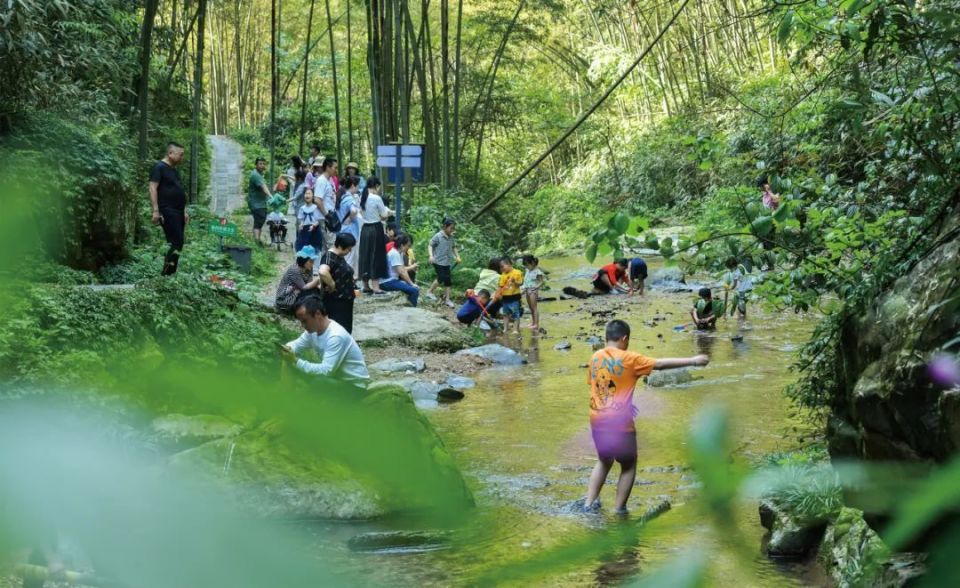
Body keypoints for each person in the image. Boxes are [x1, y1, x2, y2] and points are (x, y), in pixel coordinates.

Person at [582, 320, 709, 514]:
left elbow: (600, 387)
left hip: (597, 420)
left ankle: (588, 505)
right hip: (620, 424)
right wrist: (693, 360)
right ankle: (619, 510)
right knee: (628, 464)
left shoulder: (595, 357)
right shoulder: (630, 358)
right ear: (624, 339)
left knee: (604, 460)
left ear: (605, 338)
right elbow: (659, 364)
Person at [281, 297, 370, 387]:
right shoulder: (312, 331)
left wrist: (296, 361)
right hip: (336, 380)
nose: (303, 326)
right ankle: (285, 394)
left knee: (320, 381)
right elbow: (296, 344)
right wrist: (287, 348)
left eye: (305, 321)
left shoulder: (336, 336)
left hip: (354, 386)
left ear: (317, 314)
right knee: (293, 365)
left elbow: (326, 371)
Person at [149, 142, 188, 276]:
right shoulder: (159, 167)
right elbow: (153, 187)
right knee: (176, 241)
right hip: (167, 210)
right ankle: (166, 275)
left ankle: (169, 274)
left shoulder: (174, 170)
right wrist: (155, 210)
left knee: (179, 242)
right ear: (170, 153)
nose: (182, 158)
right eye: (180, 155)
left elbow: (179, 190)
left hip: (178, 211)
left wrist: (184, 211)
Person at [318, 233, 358, 333]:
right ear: (340, 246)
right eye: (348, 248)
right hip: (336, 302)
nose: (350, 251)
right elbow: (323, 271)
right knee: (338, 330)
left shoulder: (339, 256)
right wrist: (332, 284)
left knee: (345, 330)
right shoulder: (329, 256)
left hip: (345, 300)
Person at [358, 176, 392, 294]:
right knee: (376, 256)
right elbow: (383, 215)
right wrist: (389, 213)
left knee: (365, 256)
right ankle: (376, 287)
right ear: (376, 186)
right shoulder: (376, 198)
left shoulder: (361, 197)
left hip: (365, 230)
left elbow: (361, 214)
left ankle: (366, 285)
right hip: (376, 229)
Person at [275, 246, 323, 315]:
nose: (312, 264)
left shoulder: (309, 268)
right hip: (286, 298)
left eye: (313, 261)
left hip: (298, 292)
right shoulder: (294, 270)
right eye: (310, 261)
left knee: (315, 292)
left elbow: (310, 284)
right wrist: (319, 279)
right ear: (303, 260)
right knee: (311, 296)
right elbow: (305, 287)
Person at [426, 218, 461, 308]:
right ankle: (429, 292)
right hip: (437, 261)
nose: (452, 230)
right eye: (451, 228)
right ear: (445, 227)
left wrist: (457, 256)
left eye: (453, 228)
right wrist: (431, 256)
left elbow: (454, 247)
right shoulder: (438, 236)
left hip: (447, 262)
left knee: (448, 281)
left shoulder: (451, 237)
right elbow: (430, 245)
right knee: (441, 277)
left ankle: (447, 300)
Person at [379, 234, 420, 306]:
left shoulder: (398, 253)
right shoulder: (394, 254)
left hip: (391, 280)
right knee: (414, 291)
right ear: (401, 245)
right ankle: (412, 310)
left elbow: (403, 269)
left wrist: (410, 283)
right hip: (387, 282)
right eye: (408, 245)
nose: (409, 248)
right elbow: (401, 272)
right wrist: (412, 284)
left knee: (410, 286)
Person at [338, 176, 362, 280]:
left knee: (345, 255)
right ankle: (348, 279)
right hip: (350, 231)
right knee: (350, 256)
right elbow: (353, 210)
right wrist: (352, 218)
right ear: (353, 185)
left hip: (343, 229)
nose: (358, 188)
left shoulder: (342, 197)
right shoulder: (349, 198)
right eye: (358, 186)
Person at [315, 158, 339, 250]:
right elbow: (317, 200)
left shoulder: (330, 180)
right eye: (335, 168)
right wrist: (327, 215)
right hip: (325, 218)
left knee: (327, 246)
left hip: (330, 216)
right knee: (331, 245)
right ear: (328, 167)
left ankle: (326, 264)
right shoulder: (321, 180)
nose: (336, 170)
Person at [248, 157, 272, 244]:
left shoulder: (259, 174)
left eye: (263, 164)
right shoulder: (256, 175)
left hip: (260, 203)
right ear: (256, 165)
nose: (262, 166)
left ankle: (257, 240)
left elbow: (264, 186)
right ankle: (257, 241)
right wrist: (270, 196)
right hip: (256, 204)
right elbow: (263, 187)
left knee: (259, 221)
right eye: (260, 164)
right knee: (259, 222)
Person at [499, 256, 524, 335]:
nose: (502, 268)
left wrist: (515, 281)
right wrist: (499, 293)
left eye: (503, 266)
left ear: (509, 264)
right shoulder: (502, 275)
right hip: (505, 298)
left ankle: (515, 329)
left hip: (514, 298)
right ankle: (505, 329)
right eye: (500, 267)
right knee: (505, 314)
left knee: (515, 313)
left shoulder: (517, 272)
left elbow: (521, 283)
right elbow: (501, 286)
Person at [521, 255, 545, 331]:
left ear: (533, 263)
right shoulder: (527, 270)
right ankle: (533, 322)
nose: (527, 267)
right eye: (526, 265)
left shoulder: (538, 272)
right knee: (530, 307)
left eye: (528, 265)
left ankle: (536, 324)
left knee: (534, 308)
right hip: (527, 290)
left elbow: (542, 282)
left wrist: (536, 288)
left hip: (533, 291)